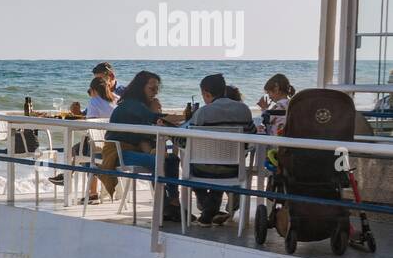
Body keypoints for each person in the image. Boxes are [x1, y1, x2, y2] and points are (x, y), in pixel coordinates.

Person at [104, 71, 182, 219]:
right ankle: (165, 205)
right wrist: (189, 116)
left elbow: (152, 128)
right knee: (159, 161)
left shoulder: (140, 106)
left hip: (135, 148)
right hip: (120, 150)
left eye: (157, 89)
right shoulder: (132, 104)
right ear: (141, 88)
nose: (155, 92)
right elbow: (158, 119)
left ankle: (173, 203)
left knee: (172, 159)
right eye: (152, 89)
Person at [186, 73, 255, 227]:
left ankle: (208, 210)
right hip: (234, 169)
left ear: (206, 93)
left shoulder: (203, 113)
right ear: (224, 90)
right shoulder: (244, 109)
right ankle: (211, 211)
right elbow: (252, 136)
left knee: (189, 167)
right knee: (222, 166)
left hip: (203, 170)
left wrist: (172, 135)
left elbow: (188, 142)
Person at [53, 75, 118, 197]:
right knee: (78, 149)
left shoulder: (94, 101)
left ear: (93, 90)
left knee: (83, 149)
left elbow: (91, 124)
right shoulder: (117, 100)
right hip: (115, 145)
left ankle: (92, 192)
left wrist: (76, 116)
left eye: (90, 92)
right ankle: (67, 175)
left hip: (100, 145)